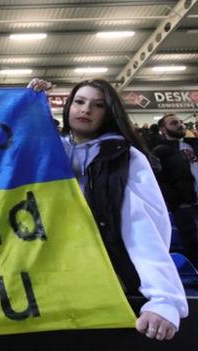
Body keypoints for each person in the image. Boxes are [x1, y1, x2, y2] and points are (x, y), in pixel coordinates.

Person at [60, 79, 187, 340]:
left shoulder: (125, 156)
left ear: (109, 113)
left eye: (97, 105)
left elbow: (143, 224)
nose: (86, 110)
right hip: (54, 273)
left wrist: (164, 299)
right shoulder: (48, 149)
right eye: (79, 102)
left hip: (105, 273)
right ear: (68, 106)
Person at [152, 113, 198, 268]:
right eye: (173, 123)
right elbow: (159, 181)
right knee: (192, 245)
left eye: (180, 122)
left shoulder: (191, 145)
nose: (180, 125)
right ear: (163, 130)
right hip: (185, 206)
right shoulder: (160, 151)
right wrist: (178, 201)